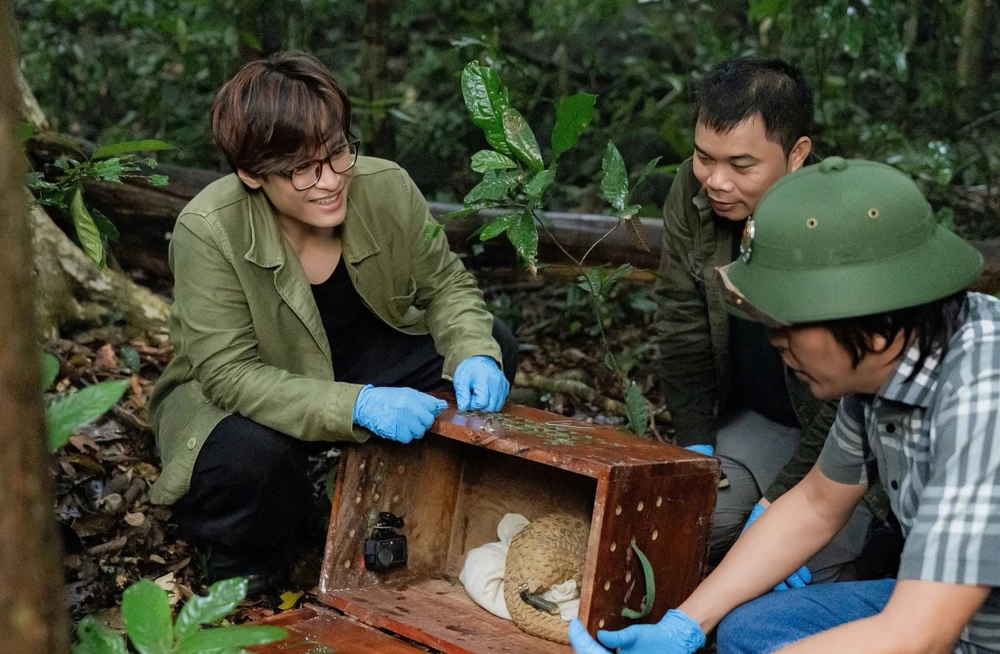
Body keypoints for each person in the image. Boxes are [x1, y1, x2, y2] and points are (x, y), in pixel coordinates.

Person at [570, 157, 997, 653]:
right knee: (750, 633)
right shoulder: (883, 367)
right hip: (944, 614)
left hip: (962, 629)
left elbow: (915, 635)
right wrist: (684, 624)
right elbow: (817, 504)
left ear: (875, 324)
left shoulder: (983, 395)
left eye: (785, 323)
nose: (773, 341)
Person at [147, 51, 516, 588]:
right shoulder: (208, 228)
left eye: (338, 152)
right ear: (251, 173)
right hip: (257, 383)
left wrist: (475, 353)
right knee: (245, 461)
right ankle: (245, 560)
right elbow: (228, 375)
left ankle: (417, 510)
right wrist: (359, 405)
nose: (329, 180)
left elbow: (447, 286)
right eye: (300, 168)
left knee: (493, 342)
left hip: (362, 354)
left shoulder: (385, 185)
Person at [652, 56, 888, 585]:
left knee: (793, 579)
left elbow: (855, 394)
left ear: (797, 154)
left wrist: (781, 502)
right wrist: (695, 447)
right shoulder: (692, 198)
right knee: (686, 531)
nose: (716, 181)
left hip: (845, 441)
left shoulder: (842, 224)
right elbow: (681, 324)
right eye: (702, 157)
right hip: (757, 419)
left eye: (741, 166)